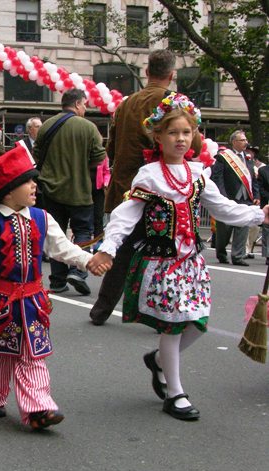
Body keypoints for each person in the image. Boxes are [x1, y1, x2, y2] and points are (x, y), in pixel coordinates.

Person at [89, 93, 269, 421]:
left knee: (198, 323)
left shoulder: (198, 174)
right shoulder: (149, 176)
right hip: (161, 264)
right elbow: (125, 216)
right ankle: (175, 393)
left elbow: (223, 208)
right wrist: (107, 248)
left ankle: (158, 361)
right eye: (173, 132)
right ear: (158, 136)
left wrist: (259, 215)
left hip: (192, 263)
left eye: (187, 132)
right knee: (172, 326)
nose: (181, 138)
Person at [0, 142, 107, 430]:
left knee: (32, 354)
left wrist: (88, 261)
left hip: (31, 303)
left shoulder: (42, 217)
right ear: (8, 191)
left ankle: (39, 408)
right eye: (27, 181)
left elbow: (63, 248)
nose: (34, 186)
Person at [90, 49, 178, 326]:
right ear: (172, 75)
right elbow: (190, 147)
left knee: (122, 249)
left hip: (126, 187)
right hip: (162, 190)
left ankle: (101, 310)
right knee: (165, 250)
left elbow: (112, 148)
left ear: (147, 72)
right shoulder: (174, 102)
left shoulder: (126, 104)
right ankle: (163, 312)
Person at [34, 88, 106, 295]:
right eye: (84, 104)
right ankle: (78, 271)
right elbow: (99, 157)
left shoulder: (46, 125)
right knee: (82, 230)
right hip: (79, 189)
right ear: (77, 104)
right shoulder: (88, 127)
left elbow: (36, 154)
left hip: (51, 189)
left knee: (55, 234)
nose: (85, 109)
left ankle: (57, 280)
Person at [211, 130, 259, 266]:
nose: (246, 143)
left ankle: (238, 256)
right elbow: (217, 178)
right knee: (224, 230)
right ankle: (221, 252)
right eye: (242, 140)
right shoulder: (224, 157)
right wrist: (222, 196)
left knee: (242, 227)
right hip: (229, 198)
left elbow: (252, 179)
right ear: (234, 142)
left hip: (245, 199)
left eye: (246, 140)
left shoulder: (248, 158)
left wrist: (256, 196)